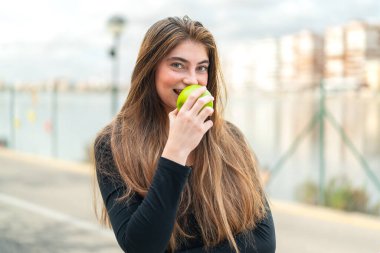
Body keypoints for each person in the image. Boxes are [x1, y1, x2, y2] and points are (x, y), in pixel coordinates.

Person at [93, 16, 276, 253]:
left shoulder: (232, 139)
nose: (192, 80)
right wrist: (176, 151)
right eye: (177, 65)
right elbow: (141, 247)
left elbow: (263, 242)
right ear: (150, 69)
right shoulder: (113, 144)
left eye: (201, 68)